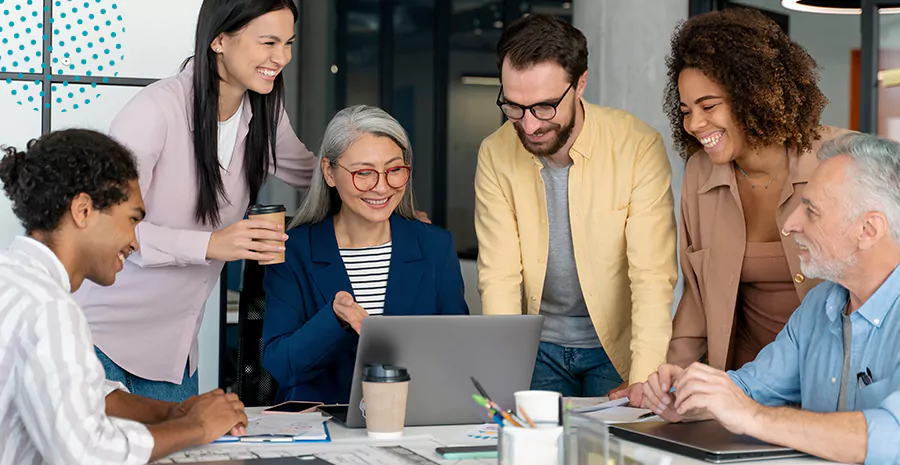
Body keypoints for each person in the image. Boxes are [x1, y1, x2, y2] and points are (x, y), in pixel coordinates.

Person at [75, 0, 318, 402]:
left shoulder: (265, 114)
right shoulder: (156, 111)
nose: (282, 57)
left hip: (174, 354)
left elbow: (312, 174)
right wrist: (212, 244)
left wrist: (384, 193)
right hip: (98, 345)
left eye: (288, 43)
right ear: (219, 40)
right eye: (269, 42)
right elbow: (103, 227)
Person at [614, 8, 849, 405]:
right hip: (743, 387)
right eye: (686, 110)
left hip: (832, 384)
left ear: (753, 95)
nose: (694, 124)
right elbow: (697, 297)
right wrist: (660, 382)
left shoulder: (841, 161)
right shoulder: (699, 175)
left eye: (709, 106)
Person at [641, 133, 900, 464]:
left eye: (811, 210)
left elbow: (893, 438)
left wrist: (752, 415)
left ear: (868, 230)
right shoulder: (820, 305)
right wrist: (688, 395)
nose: (790, 225)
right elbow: (749, 388)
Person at [0, 129, 249, 464]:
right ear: (83, 211)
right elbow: (86, 452)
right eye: (132, 219)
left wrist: (174, 412)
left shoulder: (15, 278)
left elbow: (86, 397)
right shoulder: (48, 308)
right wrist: (196, 427)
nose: (135, 241)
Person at [475, 14, 677, 398]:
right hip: (537, 350)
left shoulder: (637, 146)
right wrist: (502, 372)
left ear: (580, 83)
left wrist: (644, 376)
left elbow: (652, 275)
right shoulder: (495, 153)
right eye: (514, 106)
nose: (529, 125)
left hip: (614, 350)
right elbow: (499, 277)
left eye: (544, 107)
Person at [261, 105, 469, 404]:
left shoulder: (435, 246)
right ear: (329, 172)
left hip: (412, 418)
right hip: (323, 422)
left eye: (394, 170)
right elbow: (282, 365)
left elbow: (458, 352)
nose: (382, 187)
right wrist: (334, 319)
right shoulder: (294, 250)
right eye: (364, 173)